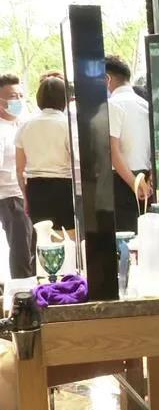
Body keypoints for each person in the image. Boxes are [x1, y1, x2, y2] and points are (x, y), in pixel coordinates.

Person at [15, 75, 75, 231]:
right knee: (67, 236)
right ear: (64, 99)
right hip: (64, 187)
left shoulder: (25, 126)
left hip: (35, 189)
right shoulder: (67, 125)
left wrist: (25, 196)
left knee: (42, 237)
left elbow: (19, 169)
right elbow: (77, 161)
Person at [106, 55, 152, 232]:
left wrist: (134, 184)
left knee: (125, 237)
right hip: (145, 178)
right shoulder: (145, 104)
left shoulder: (112, 105)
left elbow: (113, 150)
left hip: (122, 180)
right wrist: (148, 180)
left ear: (107, 79)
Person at [0, 75, 34, 279]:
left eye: (21, 95)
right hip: (10, 196)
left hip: (28, 192)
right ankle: (22, 290)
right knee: (21, 248)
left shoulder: (24, 124)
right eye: (13, 96)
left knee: (31, 246)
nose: (18, 100)